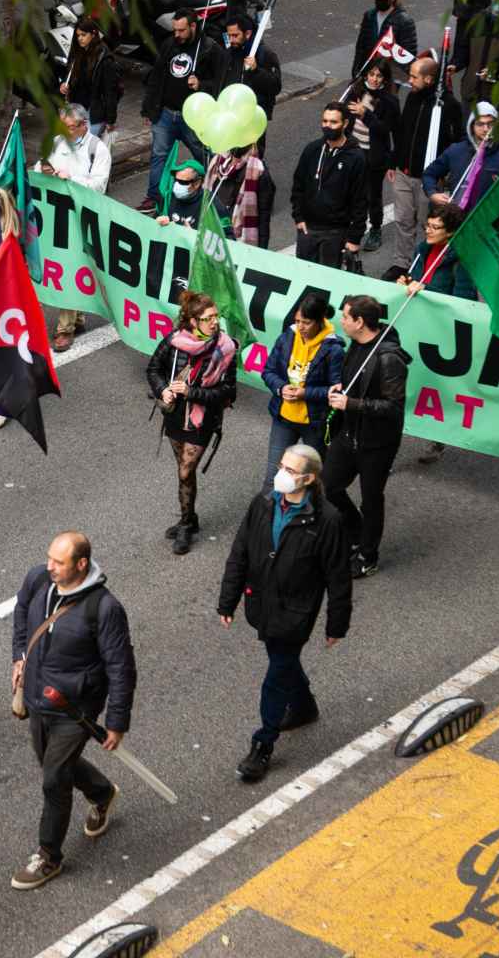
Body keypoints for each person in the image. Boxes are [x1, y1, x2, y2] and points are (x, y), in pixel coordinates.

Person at [216, 443, 351, 784]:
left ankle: (263, 743)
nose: (282, 475)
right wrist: (227, 600)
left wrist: (337, 624)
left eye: (290, 471)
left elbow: (338, 577)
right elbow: (240, 552)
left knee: (276, 675)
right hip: (261, 604)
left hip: (295, 614)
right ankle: (304, 706)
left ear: (309, 478)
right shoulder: (262, 504)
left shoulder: (328, 521)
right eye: (282, 467)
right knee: (282, 660)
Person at [8, 531, 136, 891]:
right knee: (53, 762)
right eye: (49, 558)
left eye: (59, 562)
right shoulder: (38, 579)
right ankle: (102, 793)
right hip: (37, 697)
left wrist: (116, 721)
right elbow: (21, 612)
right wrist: (20, 655)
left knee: (54, 780)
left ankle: (49, 856)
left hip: (74, 708)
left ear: (81, 564)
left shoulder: (105, 609)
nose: (49, 567)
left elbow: (120, 666)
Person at [145, 292, 239, 555]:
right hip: (175, 415)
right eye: (208, 319)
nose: (214, 323)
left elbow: (228, 392)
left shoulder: (227, 348)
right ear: (192, 321)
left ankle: (186, 525)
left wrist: (191, 393)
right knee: (183, 471)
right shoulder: (175, 341)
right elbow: (153, 369)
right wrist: (163, 389)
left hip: (203, 419)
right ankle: (191, 517)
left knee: (186, 471)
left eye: (216, 317)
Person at [322, 295, 409, 579]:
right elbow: (354, 382)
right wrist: (341, 388)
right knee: (328, 486)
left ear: (360, 322)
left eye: (346, 317)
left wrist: (352, 404)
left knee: (371, 499)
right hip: (348, 435)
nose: (341, 321)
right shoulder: (356, 345)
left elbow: (394, 408)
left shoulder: (388, 358)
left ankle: (368, 556)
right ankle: (355, 529)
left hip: (376, 443)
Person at [41, 104, 113, 352]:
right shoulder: (57, 142)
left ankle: (64, 329)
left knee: (72, 267)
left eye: (72, 127)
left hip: (84, 216)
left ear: (84, 124)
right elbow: (41, 169)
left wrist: (70, 179)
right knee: (72, 266)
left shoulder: (98, 149)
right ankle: (78, 317)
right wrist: (45, 171)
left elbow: (99, 186)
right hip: (59, 213)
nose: (68, 132)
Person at [138, 8, 224, 213]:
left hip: (193, 118)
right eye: (175, 30)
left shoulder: (209, 49)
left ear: (193, 26)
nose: (177, 34)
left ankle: (211, 193)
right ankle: (154, 198)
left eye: (181, 30)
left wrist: (202, 85)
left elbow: (221, 83)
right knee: (159, 155)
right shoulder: (169, 45)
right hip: (166, 113)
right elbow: (157, 77)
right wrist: (149, 109)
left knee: (204, 155)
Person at [260, 293, 345, 491]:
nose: (300, 327)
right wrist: (280, 388)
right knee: (273, 479)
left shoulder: (334, 350)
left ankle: (310, 519)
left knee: (312, 480)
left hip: (314, 423)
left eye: (306, 322)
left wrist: (304, 394)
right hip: (284, 419)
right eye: (297, 321)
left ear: (320, 321)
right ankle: (266, 520)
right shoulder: (287, 337)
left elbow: (336, 391)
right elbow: (268, 371)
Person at [389, 55, 462, 269]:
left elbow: (457, 142)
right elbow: (402, 131)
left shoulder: (449, 105)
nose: (409, 81)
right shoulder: (412, 97)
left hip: (428, 179)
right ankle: (401, 264)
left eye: (414, 76)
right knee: (403, 220)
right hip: (404, 172)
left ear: (429, 79)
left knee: (428, 225)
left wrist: (445, 172)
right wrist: (393, 162)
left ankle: (423, 266)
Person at [290, 103, 368, 268]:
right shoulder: (312, 149)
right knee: (303, 277)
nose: (328, 126)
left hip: (335, 233)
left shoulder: (355, 157)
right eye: (325, 121)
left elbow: (360, 200)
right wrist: (298, 217)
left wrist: (354, 239)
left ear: (345, 124)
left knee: (325, 285)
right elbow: (298, 185)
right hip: (307, 230)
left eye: (333, 122)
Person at [347, 58, 401, 253]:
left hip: (374, 156)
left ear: (385, 79)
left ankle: (376, 228)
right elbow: (346, 118)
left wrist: (365, 114)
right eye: (372, 74)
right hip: (353, 150)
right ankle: (353, 228)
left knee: (372, 196)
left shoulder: (390, 101)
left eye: (379, 76)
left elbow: (385, 130)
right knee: (351, 192)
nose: (375, 79)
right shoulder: (355, 91)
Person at [423, 103, 499, 210]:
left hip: (487, 220)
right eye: (480, 124)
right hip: (457, 218)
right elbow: (429, 174)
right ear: (471, 126)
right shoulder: (456, 151)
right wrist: (432, 194)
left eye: (490, 124)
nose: (485, 129)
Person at [219, 11, 283, 153]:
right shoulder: (229, 54)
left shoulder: (265, 54)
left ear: (247, 34)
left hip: (253, 119)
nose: (231, 40)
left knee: (251, 161)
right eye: (229, 36)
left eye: (235, 35)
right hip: (230, 116)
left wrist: (256, 71)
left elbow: (275, 86)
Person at [398, 202, 478, 299]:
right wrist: (407, 282)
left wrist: (425, 289)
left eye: (435, 227)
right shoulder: (421, 249)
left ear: (451, 231)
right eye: (427, 225)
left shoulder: (463, 261)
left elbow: (463, 301)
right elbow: (414, 279)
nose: (427, 231)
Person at [61, 17, 121, 140]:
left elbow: (111, 92)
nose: (80, 39)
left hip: (94, 112)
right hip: (76, 108)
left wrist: (111, 120)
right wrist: (64, 85)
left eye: (83, 35)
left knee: (87, 146)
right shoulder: (77, 53)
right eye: (77, 36)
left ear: (93, 34)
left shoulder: (104, 58)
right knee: (75, 144)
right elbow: (69, 75)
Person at [205, 143, 276, 246]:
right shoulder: (218, 163)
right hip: (215, 232)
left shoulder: (258, 172)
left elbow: (263, 219)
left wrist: (260, 250)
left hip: (238, 240)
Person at [352, 0, 418, 81]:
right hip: (367, 74)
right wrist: (355, 71)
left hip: (387, 79)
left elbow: (407, 56)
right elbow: (361, 47)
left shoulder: (404, 21)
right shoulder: (369, 16)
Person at [155, 159, 206, 227]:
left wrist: (192, 234)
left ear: (197, 183)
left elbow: (222, 233)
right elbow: (158, 215)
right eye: (176, 180)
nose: (177, 185)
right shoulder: (169, 196)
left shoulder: (210, 204)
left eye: (183, 182)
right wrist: (160, 221)